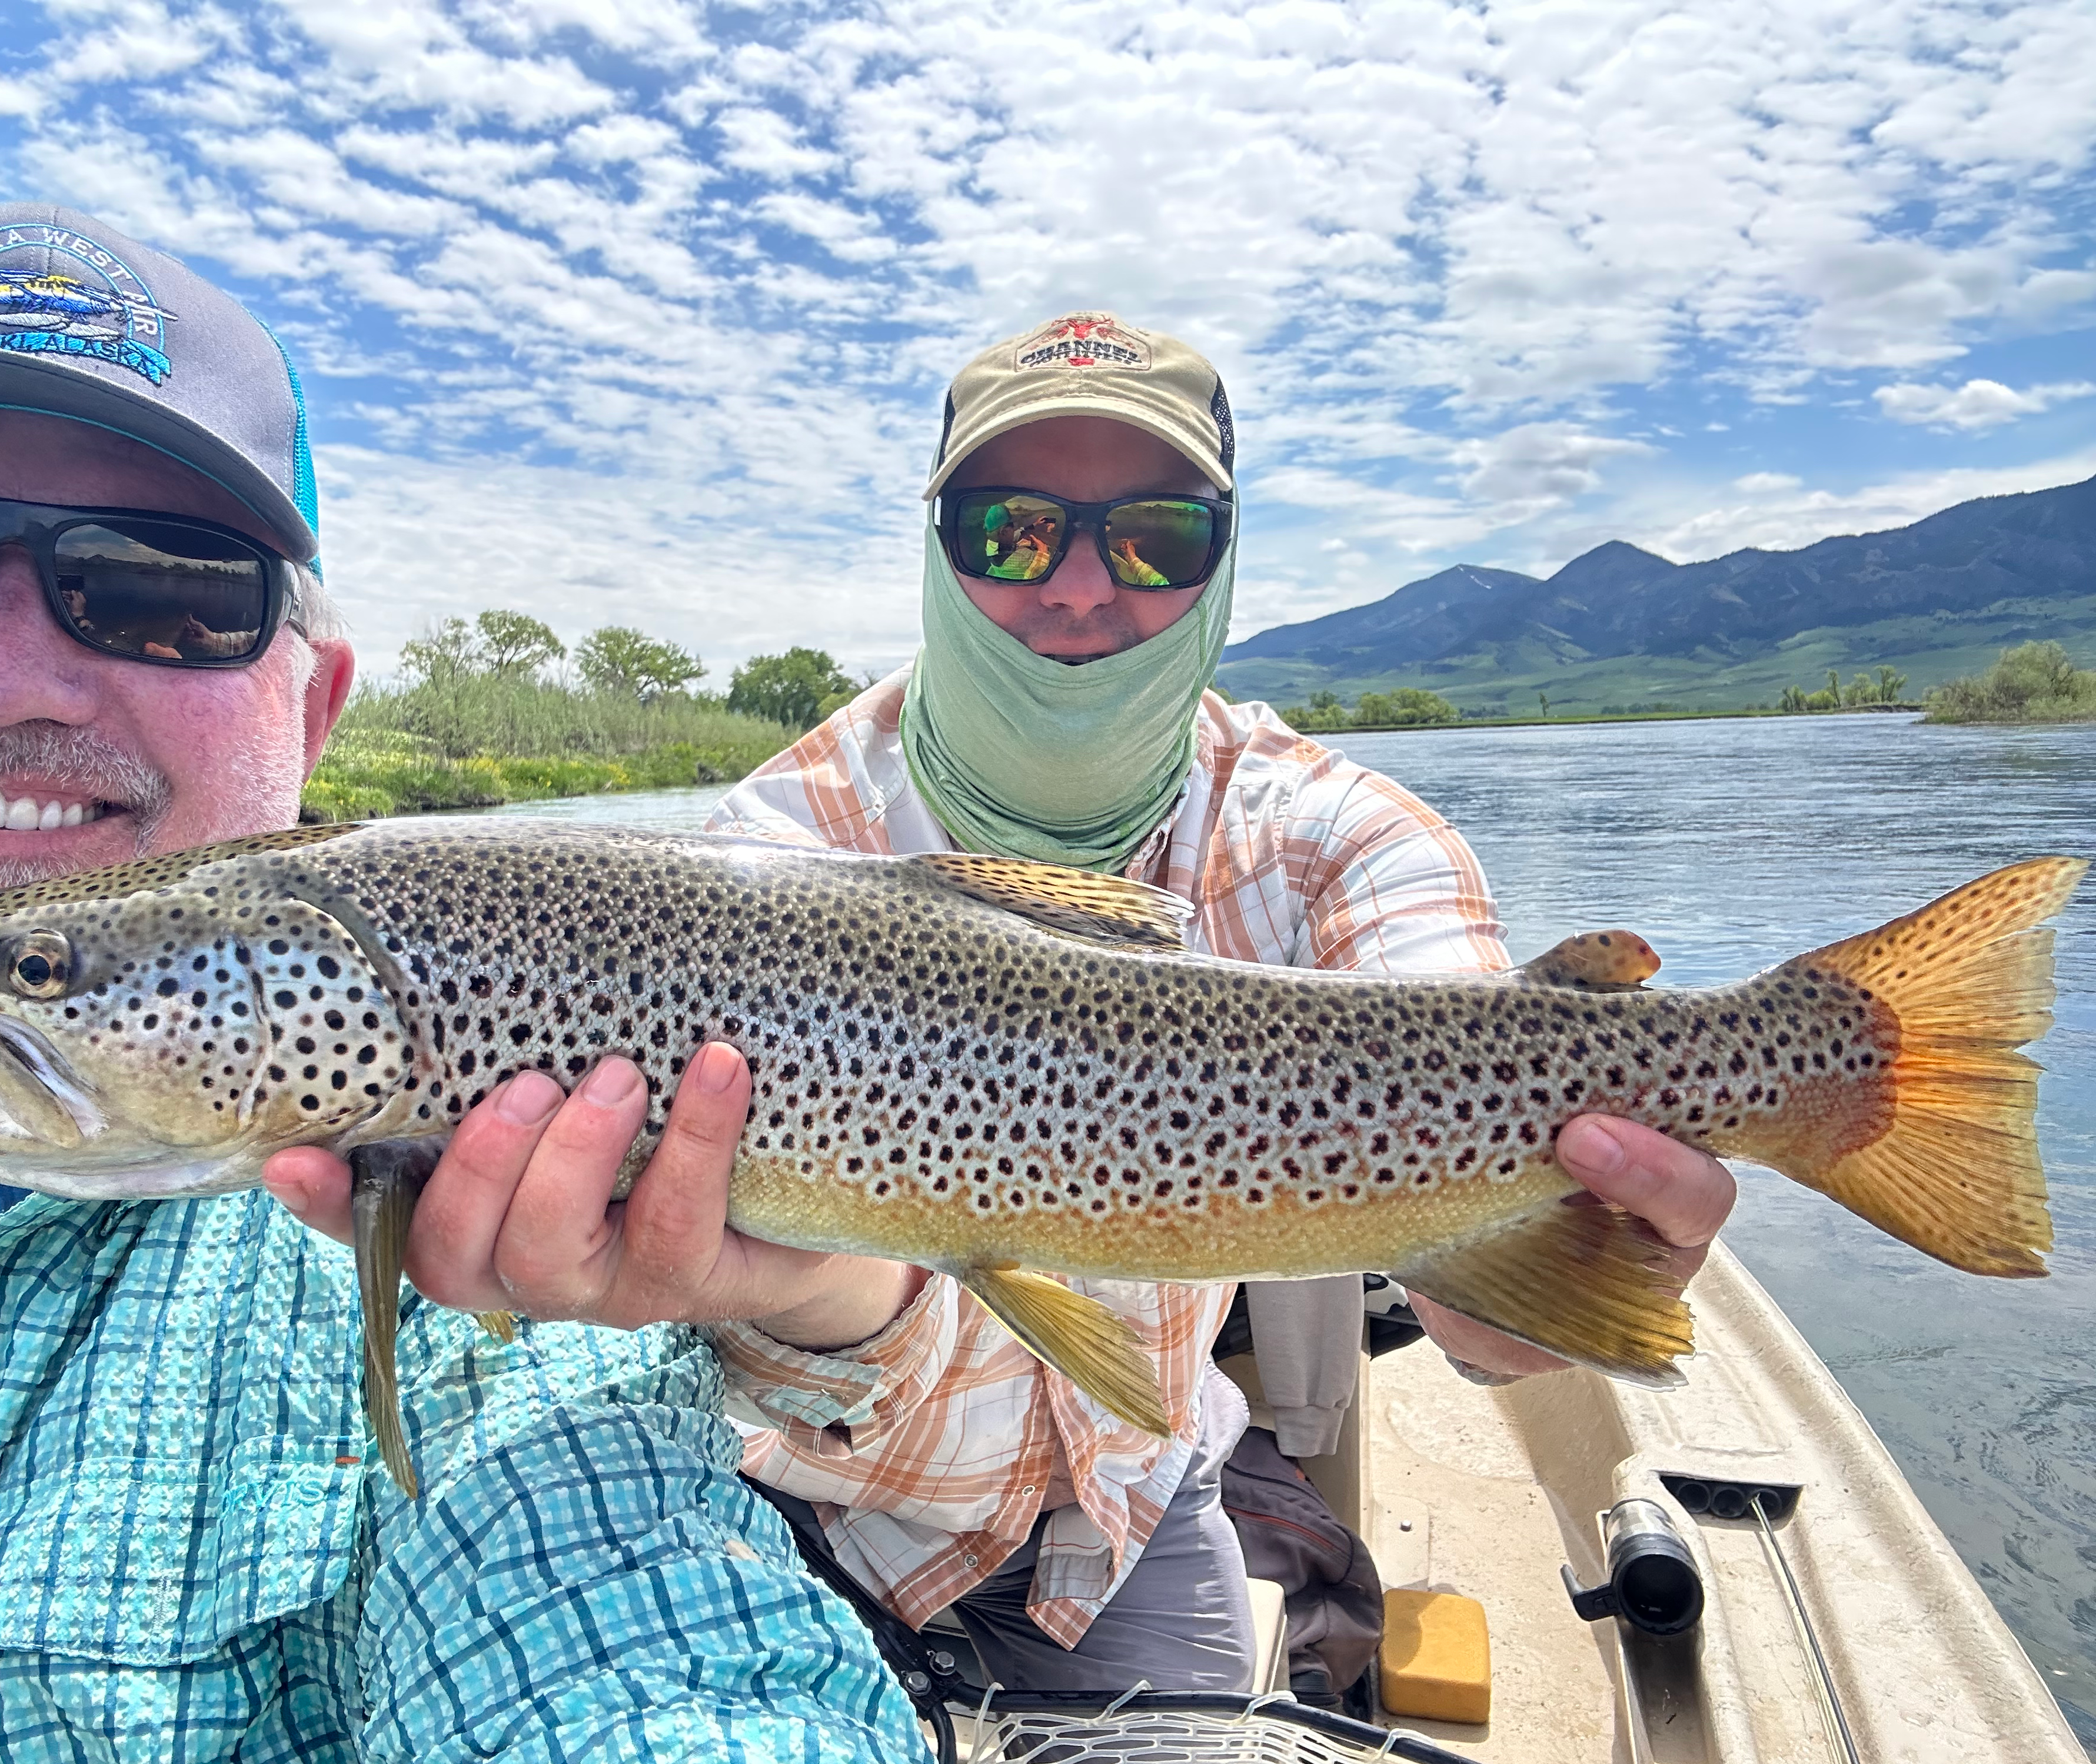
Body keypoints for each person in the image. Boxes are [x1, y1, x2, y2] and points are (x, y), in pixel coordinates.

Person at [0, 202, 930, 1764]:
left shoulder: (476, 1244)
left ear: (316, 718)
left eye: (164, 585)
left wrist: (860, 1285)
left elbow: (640, 1648)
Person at [690, 313, 1742, 1690]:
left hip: (1129, 1512)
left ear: (1223, 560)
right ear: (938, 545)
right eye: (1012, 530)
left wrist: (1519, 1296)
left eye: (1153, 539)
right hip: (799, 1512)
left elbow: (1447, 1016)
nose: (1076, 588)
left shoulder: (1337, 836)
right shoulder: (759, 868)